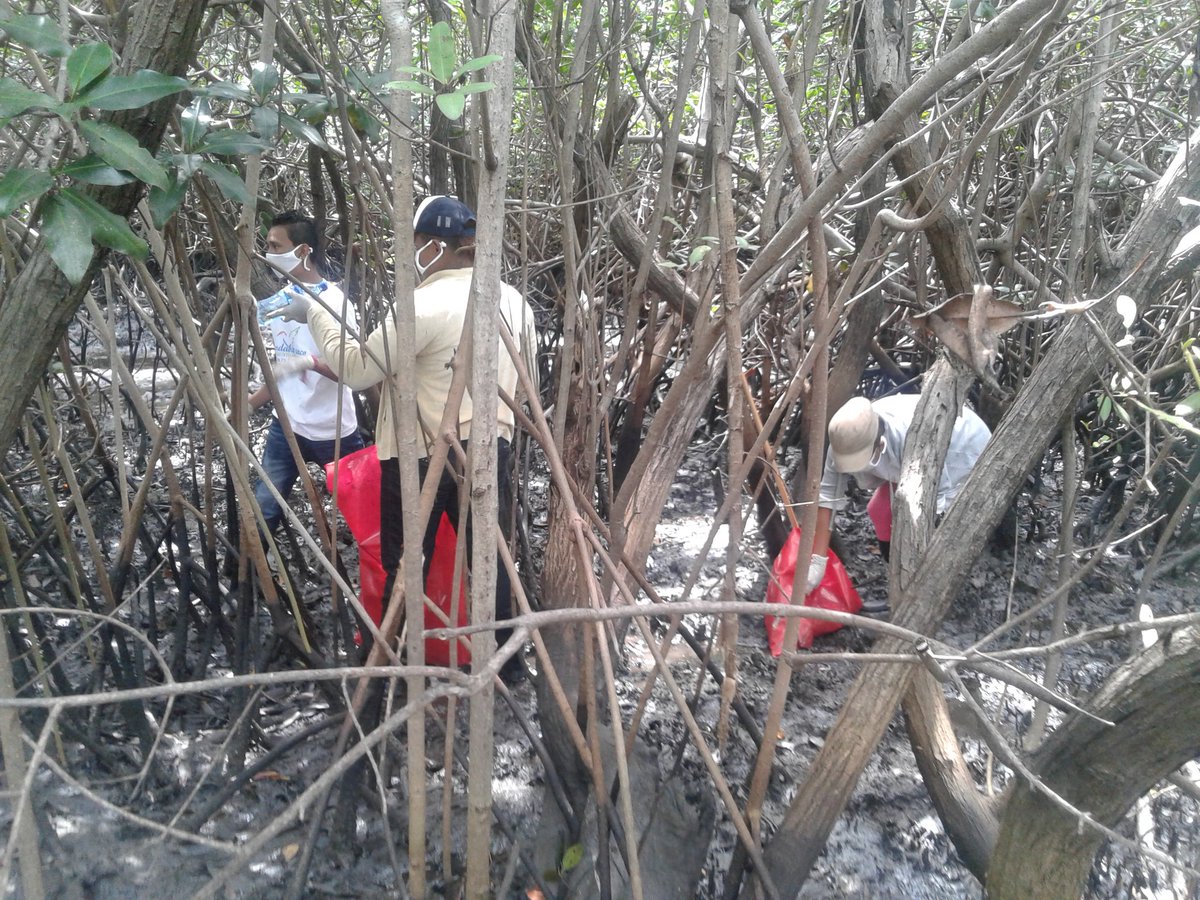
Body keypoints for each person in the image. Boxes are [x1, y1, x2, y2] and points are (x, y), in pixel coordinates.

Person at [271, 196, 538, 681]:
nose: (413, 255)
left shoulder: (422, 305)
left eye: (416, 244)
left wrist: (314, 313)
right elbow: (526, 385)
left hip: (420, 457)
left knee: (404, 566)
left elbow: (357, 369)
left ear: (434, 247)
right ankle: (509, 665)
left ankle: (393, 668)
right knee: (488, 558)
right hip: (488, 448)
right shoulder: (514, 301)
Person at [805, 393, 992, 605]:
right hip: (909, 460)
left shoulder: (911, 440)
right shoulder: (844, 442)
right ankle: (894, 575)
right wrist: (817, 562)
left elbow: (935, 500)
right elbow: (828, 498)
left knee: (911, 521)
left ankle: (926, 592)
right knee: (879, 511)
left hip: (960, 450)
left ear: (879, 444)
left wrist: (923, 547)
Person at [250, 210, 363, 534]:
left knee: (360, 508)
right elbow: (283, 368)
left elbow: (352, 372)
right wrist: (249, 403)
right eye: (267, 246)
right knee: (264, 509)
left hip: (333, 431)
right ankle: (250, 565)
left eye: (275, 246)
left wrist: (311, 363)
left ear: (302, 251)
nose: (268, 254)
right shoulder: (278, 302)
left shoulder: (336, 304)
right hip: (287, 426)